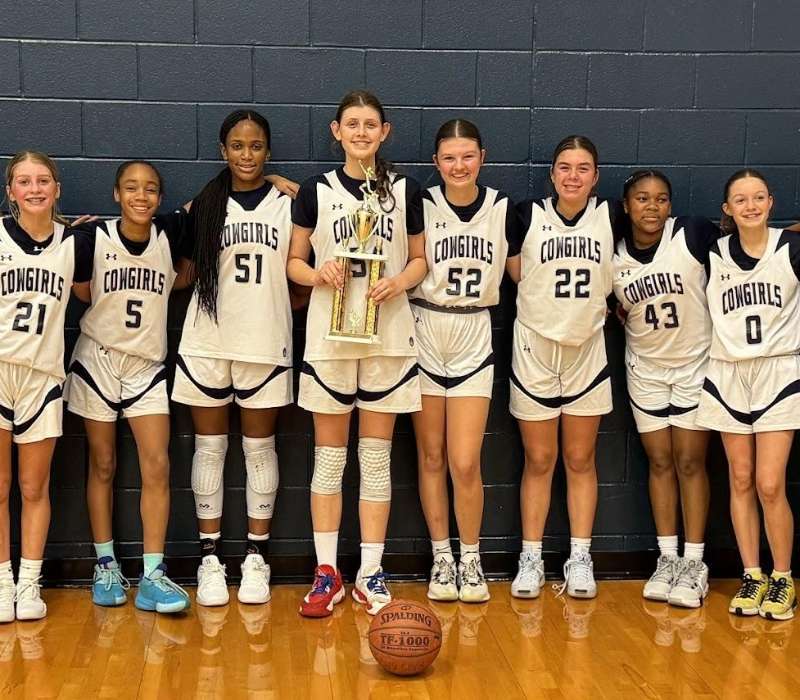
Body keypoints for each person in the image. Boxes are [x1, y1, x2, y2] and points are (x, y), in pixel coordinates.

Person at [288, 90, 426, 617]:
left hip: (387, 334)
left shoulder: (404, 191)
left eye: (371, 124)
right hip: (330, 336)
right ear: (336, 130)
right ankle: (328, 571)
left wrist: (399, 282)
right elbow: (293, 263)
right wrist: (318, 274)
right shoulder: (315, 191)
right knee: (328, 460)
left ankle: (371, 570)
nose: (362, 132)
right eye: (353, 124)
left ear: (384, 132)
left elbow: (419, 260)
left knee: (375, 459)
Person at [172, 110, 295, 607]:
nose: (247, 155)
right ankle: (209, 560)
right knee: (210, 449)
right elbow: (181, 275)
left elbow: (300, 274)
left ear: (268, 151)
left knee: (259, 450)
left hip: (264, 341)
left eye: (257, 146)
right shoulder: (202, 205)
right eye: (238, 146)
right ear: (223, 151)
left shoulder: (290, 205)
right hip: (207, 340)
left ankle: (256, 558)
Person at [64, 160, 191, 613]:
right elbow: (80, 292)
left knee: (157, 464)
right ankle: (105, 564)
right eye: (132, 188)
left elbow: (216, 199)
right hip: (98, 360)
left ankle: (153, 572)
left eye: (151, 189)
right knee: (103, 464)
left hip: (146, 366)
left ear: (160, 197)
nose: (142, 196)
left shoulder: (171, 233)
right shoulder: (91, 239)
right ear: (116, 194)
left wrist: (275, 180)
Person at [411, 119, 520, 603]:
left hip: (475, 330)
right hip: (425, 329)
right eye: (449, 157)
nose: (459, 165)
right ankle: (441, 557)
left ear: (483, 157)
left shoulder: (503, 209)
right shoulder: (420, 205)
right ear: (436, 163)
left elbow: (526, 276)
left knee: (465, 460)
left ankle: (471, 558)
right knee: (430, 456)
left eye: (467, 156)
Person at [508, 135, 619, 600]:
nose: (573, 176)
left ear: (595, 177)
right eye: (564, 167)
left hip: (587, 350)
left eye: (583, 168)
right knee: (539, 460)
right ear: (552, 174)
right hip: (535, 348)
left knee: (579, 459)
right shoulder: (525, 215)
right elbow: (515, 272)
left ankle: (580, 555)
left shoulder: (612, 217)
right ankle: (530, 556)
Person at [612, 170, 718, 608]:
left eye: (660, 199)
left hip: (695, 365)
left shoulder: (691, 235)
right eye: (642, 198)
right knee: (659, 462)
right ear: (626, 206)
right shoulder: (613, 256)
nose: (651, 207)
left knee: (690, 461)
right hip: (646, 369)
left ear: (670, 206)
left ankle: (695, 562)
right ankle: (668, 557)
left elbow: (754, 243)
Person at [697, 169, 799, 621]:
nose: (751, 206)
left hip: (779, 371)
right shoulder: (712, 253)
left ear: (771, 202)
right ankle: (753, 574)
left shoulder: (791, 249)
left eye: (759, 197)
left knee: (769, 482)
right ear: (727, 208)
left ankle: (783, 578)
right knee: (739, 479)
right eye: (741, 199)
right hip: (727, 373)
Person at [0, 151, 93, 621]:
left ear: (56, 188)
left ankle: (30, 582)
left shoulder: (76, 244)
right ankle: (1, 583)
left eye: (43, 181)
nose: (34, 189)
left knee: (34, 487)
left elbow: (92, 297)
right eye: (23, 181)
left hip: (42, 376)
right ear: (10, 190)